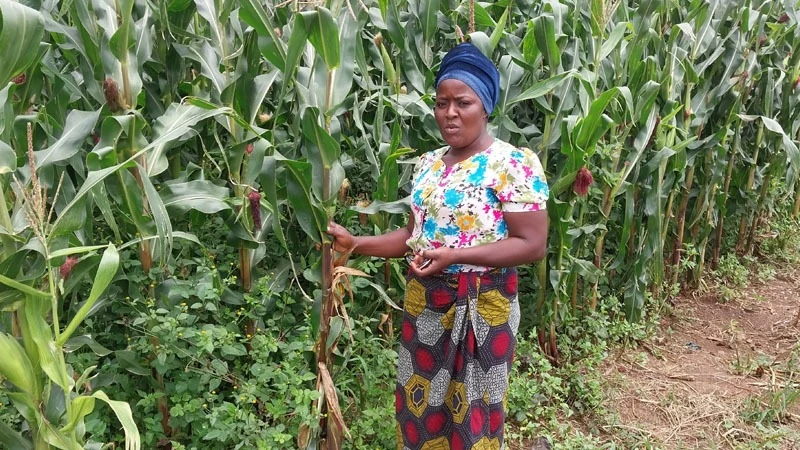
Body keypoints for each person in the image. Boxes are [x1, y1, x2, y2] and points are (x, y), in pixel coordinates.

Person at [327, 42, 549, 450]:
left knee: (474, 412)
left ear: (484, 106)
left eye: (462, 102)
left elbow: (532, 244)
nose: (450, 113)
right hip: (425, 303)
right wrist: (356, 243)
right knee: (421, 407)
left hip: (483, 308)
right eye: (441, 102)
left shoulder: (511, 163)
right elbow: (413, 238)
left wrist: (456, 257)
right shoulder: (428, 165)